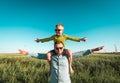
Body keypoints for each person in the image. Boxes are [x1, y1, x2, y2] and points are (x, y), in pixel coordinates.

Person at [19, 41, 104, 83]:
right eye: (57, 48)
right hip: (53, 81)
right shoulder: (51, 56)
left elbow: (81, 53)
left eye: (60, 48)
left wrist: (94, 49)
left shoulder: (67, 55)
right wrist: (26, 53)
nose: (59, 49)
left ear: (63, 48)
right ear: (54, 48)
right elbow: (38, 55)